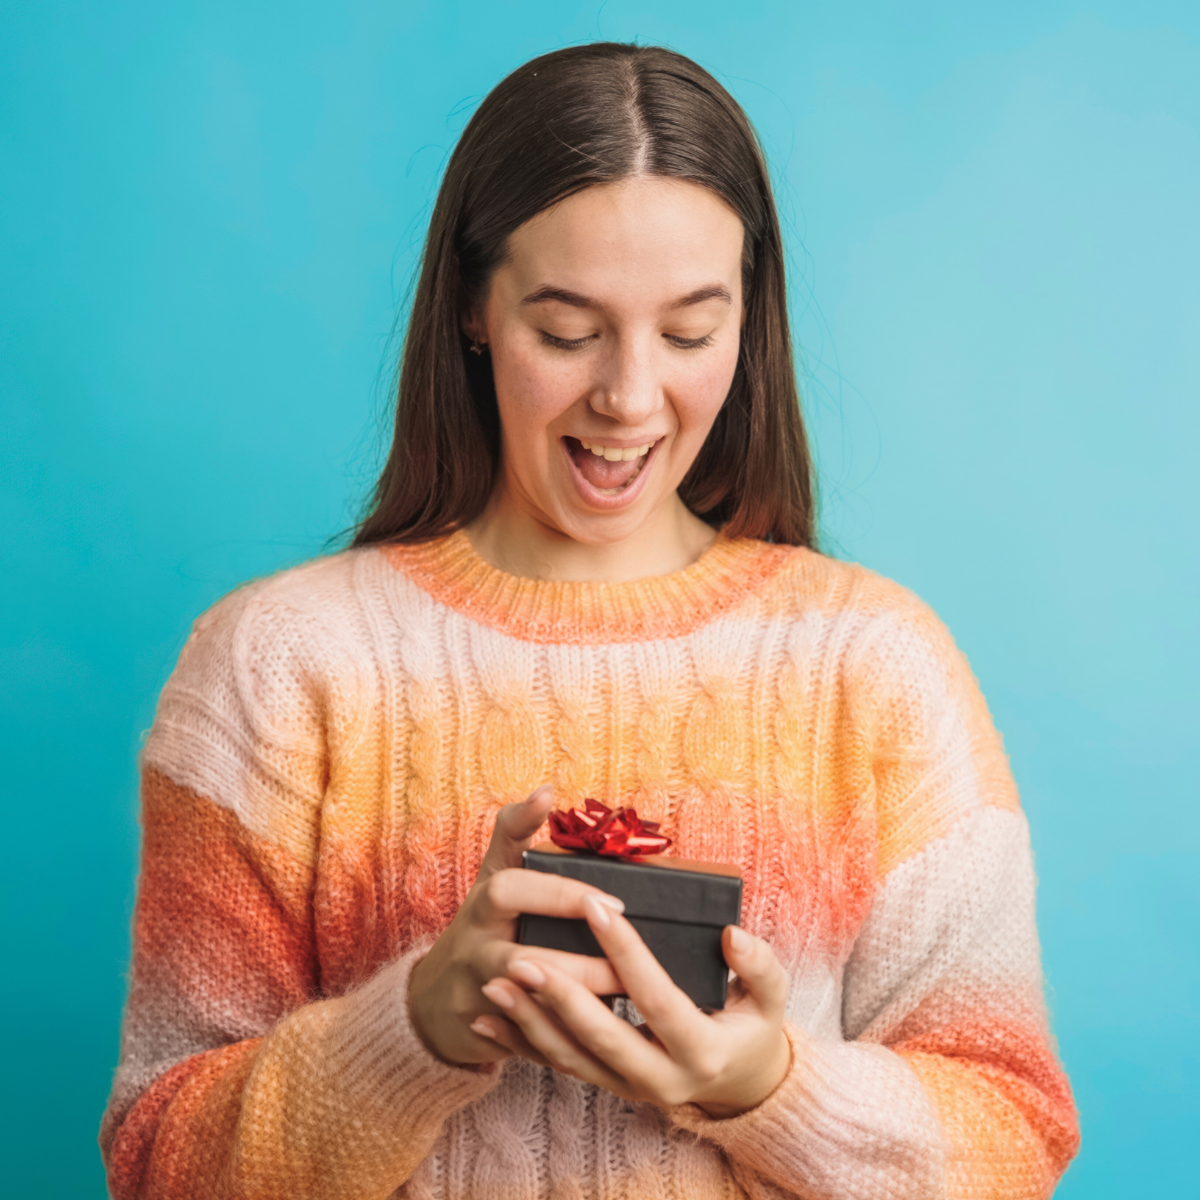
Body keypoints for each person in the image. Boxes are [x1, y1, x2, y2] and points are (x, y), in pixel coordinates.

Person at [100, 41, 1079, 1200]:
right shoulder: (276, 666)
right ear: (473, 304)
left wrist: (766, 1089)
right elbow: (158, 1157)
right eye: (567, 330)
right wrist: (413, 1033)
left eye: (689, 330)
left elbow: (1012, 1137)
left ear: (748, 318)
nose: (627, 396)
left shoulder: (874, 665)